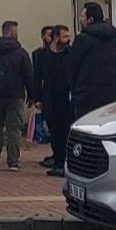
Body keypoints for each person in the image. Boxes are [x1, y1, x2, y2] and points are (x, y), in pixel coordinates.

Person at [66, 3, 116, 119]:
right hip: (112, 94)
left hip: (86, 96)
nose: (80, 19)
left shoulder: (83, 39)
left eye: (82, 16)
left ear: (90, 19)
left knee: (86, 128)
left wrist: (74, 89)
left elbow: (72, 67)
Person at [0, 21, 34, 171]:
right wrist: (32, 94)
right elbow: (28, 75)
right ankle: (13, 161)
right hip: (15, 95)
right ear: (13, 33)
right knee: (14, 128)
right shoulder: (21, 53)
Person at [38, 25, 74, 176]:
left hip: (67, 99)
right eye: (64, 36)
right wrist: (37, 98)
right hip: (50, 99)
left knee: (66, 131)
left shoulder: (70, 54)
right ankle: (58, 160)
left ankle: (65, 162)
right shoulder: (43, 55)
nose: (68, 39)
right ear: (55, 38)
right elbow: (37, 77)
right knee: (54, 131)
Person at [33, 26, 54, 168]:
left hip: (57, 94)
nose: (50, 37)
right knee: (49, 125)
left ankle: (57, 154)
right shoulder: (38, 54)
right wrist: (37, 98)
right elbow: (36, 77)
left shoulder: (62, 52)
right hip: (46, 93)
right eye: (47, 34)